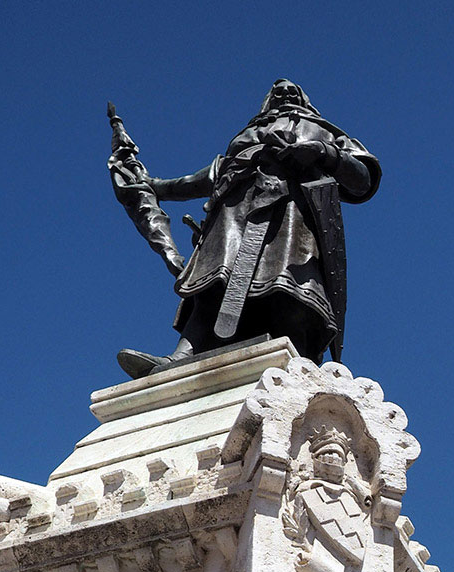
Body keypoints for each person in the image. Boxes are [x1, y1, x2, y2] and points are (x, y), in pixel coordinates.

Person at [111, 79, 381, 378]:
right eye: (278, 91)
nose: (286, 93)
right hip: (232, 214)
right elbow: (206, 179)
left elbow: (362, 179)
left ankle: (295, 366)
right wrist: (152, 187)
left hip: (290, 215)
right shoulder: (246, 136)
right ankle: (181, 358)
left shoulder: (326, 132)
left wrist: (322, 153)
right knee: (212, 283)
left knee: (288, 288)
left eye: (294, 91)